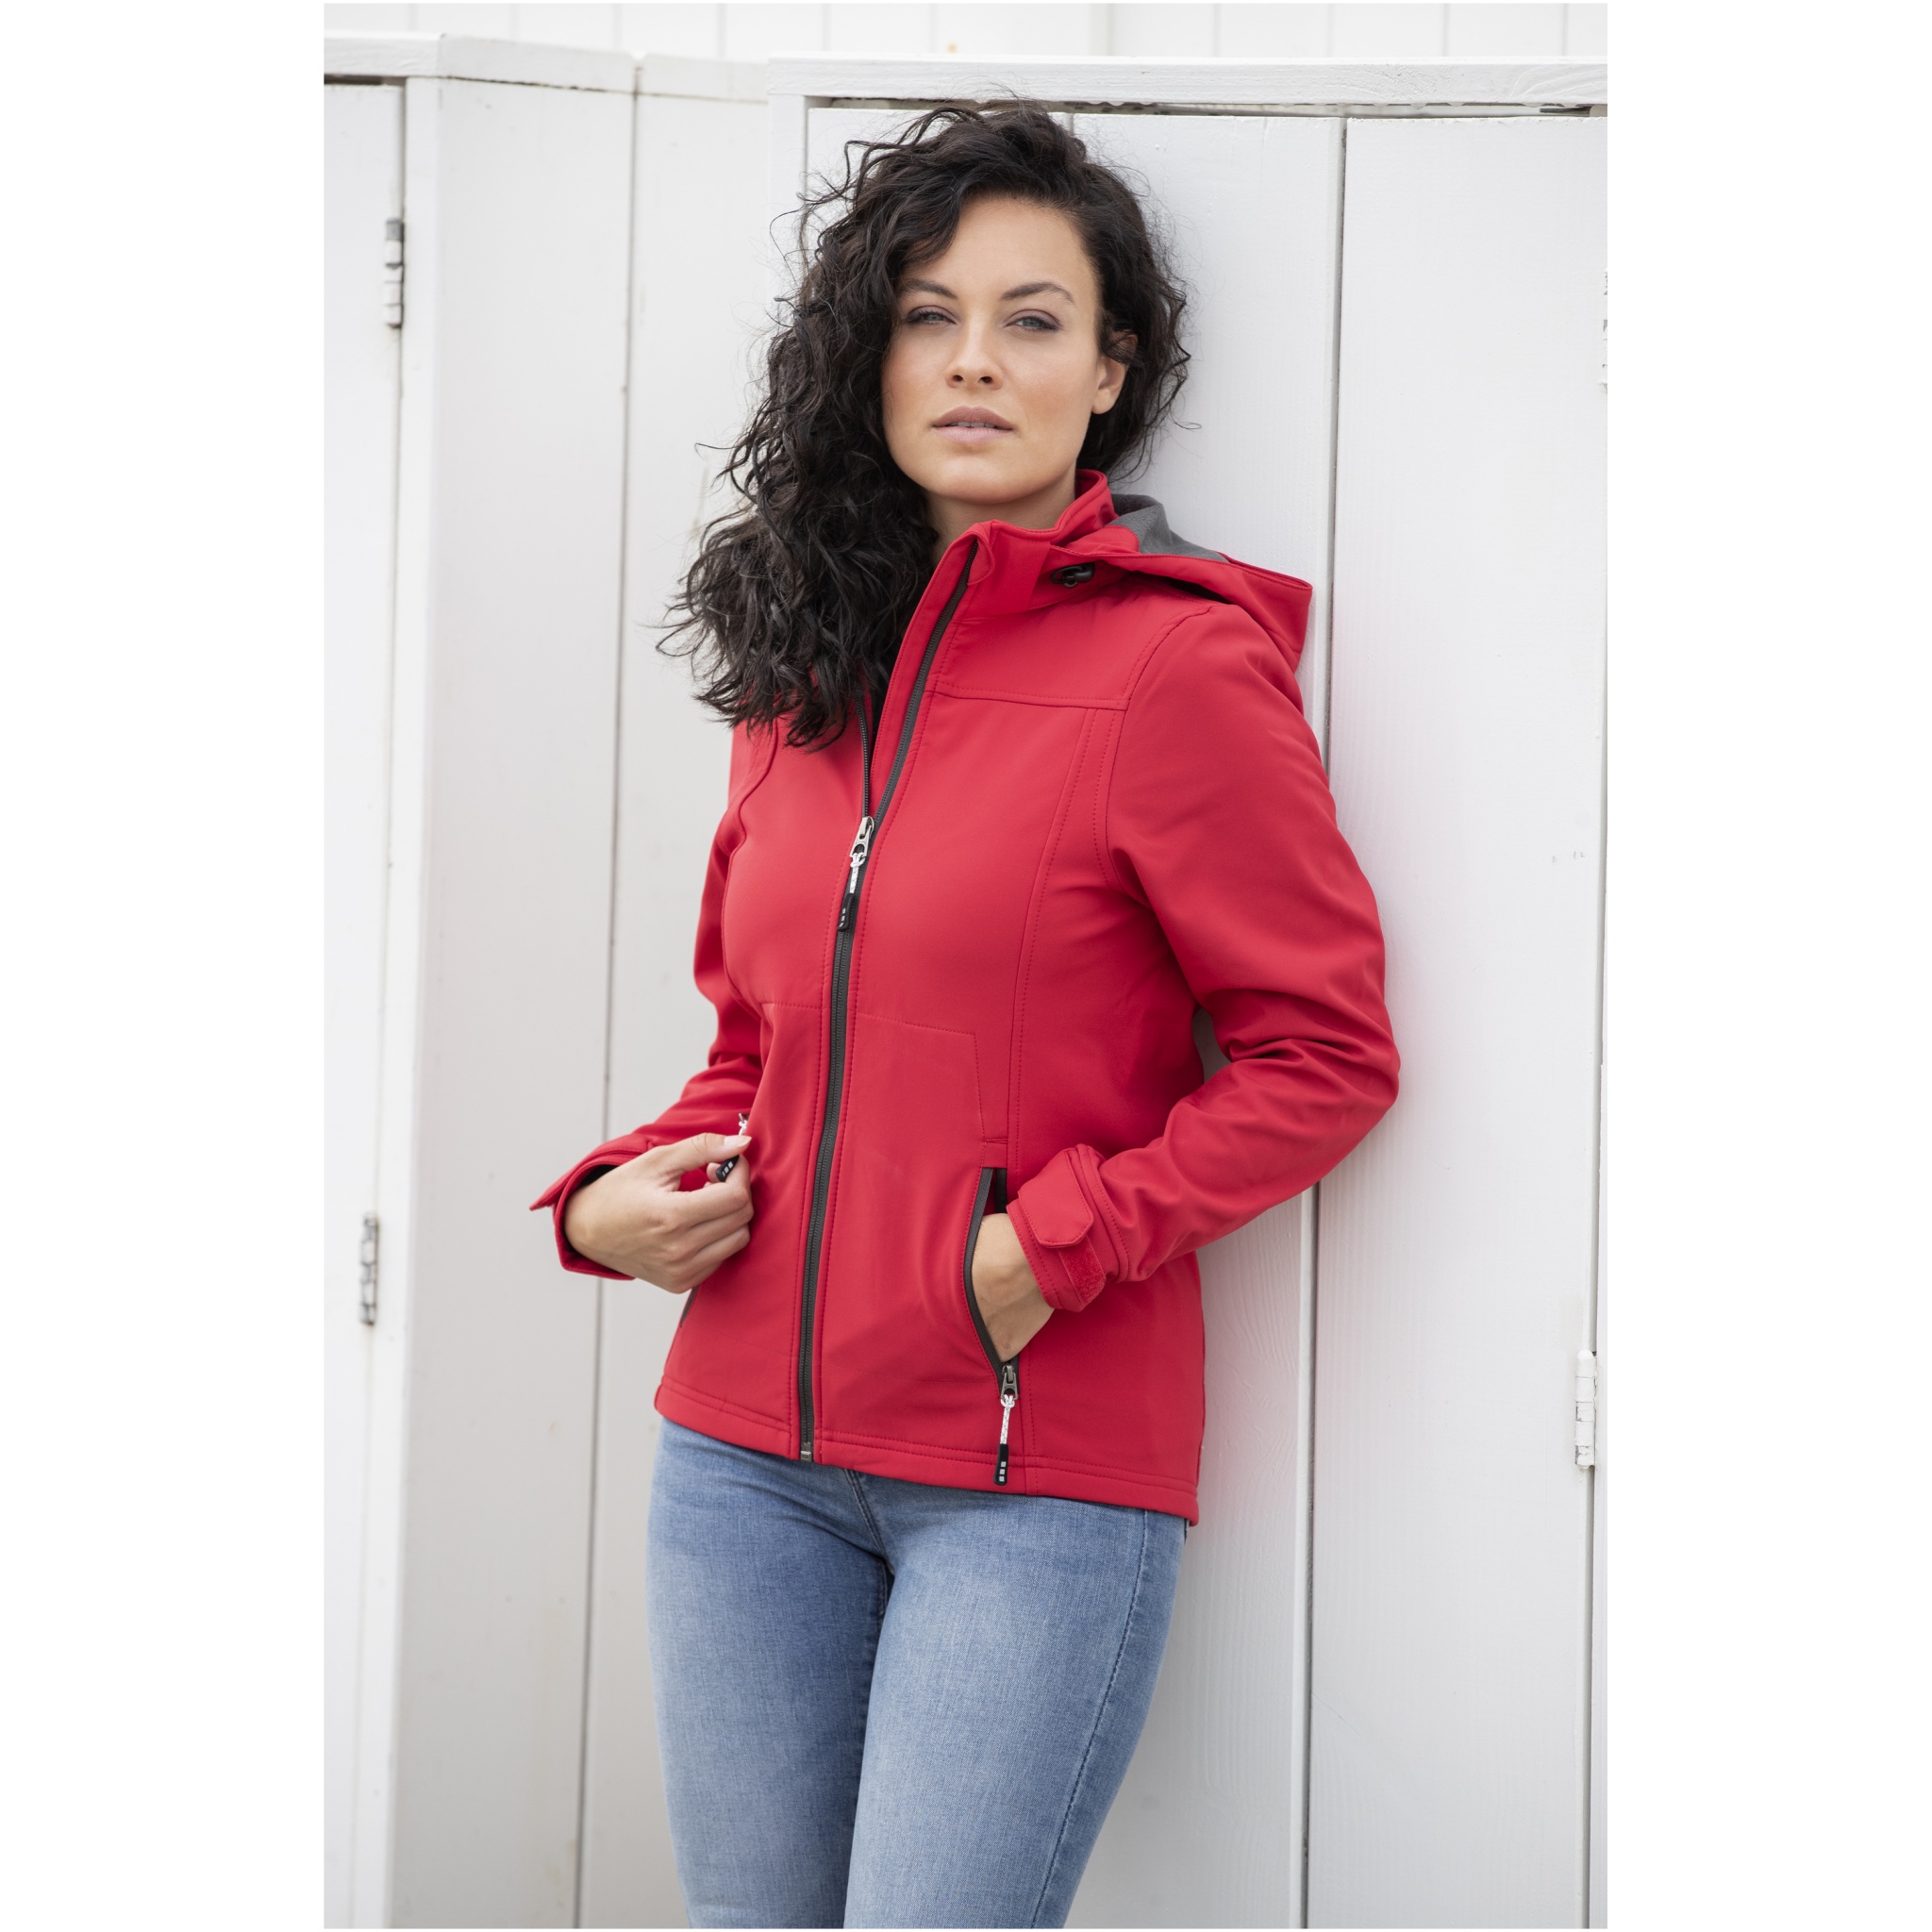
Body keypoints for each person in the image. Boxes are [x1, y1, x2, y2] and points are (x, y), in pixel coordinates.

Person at [534, 105, 1397, 1930]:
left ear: (1112, 369)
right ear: (871, 358)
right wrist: (610, 1202)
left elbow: (1325, 1058)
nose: (973, 361)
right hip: (740, 1466)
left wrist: (1049, 1247)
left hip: (1028, 1481)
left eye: (1031, 319)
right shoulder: (804, 665)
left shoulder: (1179, 664)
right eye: (928, 316)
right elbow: (758, 1047)